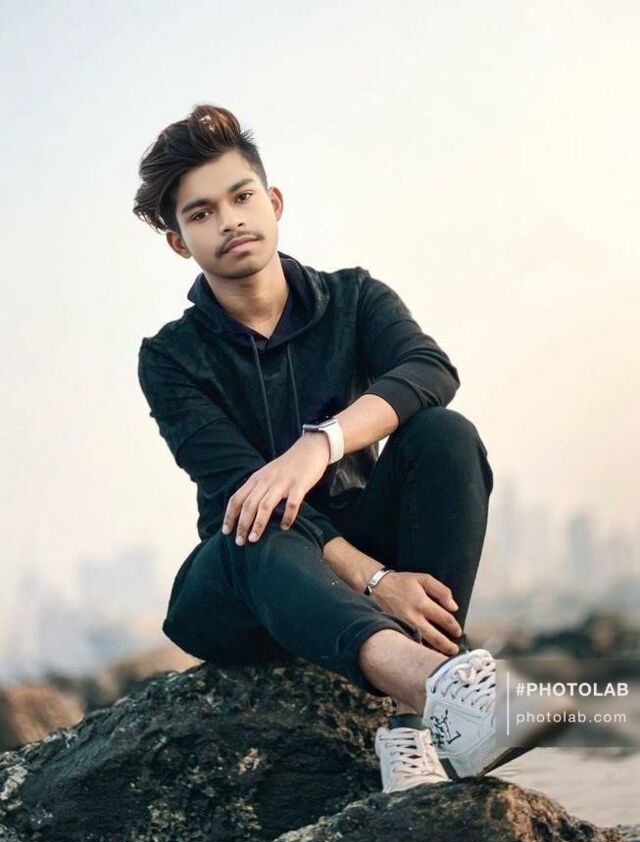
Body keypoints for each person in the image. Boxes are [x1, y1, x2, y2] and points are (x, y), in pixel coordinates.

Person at [132, 104, 535, 794]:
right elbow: (244, 491)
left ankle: (413, 731)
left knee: (444, 434)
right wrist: (378, 582)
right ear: (179, 241)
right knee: (253, 519)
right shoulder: (171, 358)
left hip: (355, 537)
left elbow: (428, 369)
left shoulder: (352, 298)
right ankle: (440, 688)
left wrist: (321, 444)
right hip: (249, 582)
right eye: (201, 213)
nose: (229, 220)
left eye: (241, 196)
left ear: (273, 201)